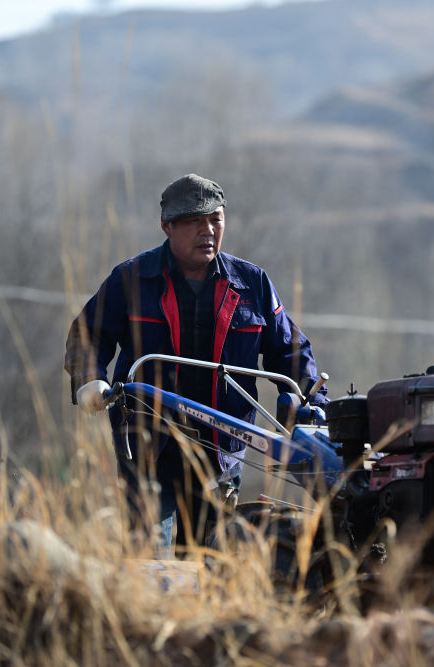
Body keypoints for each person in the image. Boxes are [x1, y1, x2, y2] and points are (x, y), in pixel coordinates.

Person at [64, 173, 327, 552]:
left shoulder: (252, 284)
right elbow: (87, 335)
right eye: (193, 221)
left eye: (215, 219)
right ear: (166, 226)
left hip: (221, 451)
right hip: (149, 446)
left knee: (211, 558)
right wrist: (90, 379)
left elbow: (290, 352)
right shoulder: (132, 280)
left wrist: (312, 405)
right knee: (150, 554)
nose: (207, 231)